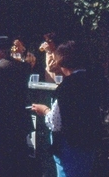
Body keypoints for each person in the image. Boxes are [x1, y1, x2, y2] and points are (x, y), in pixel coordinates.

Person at [32, 41, 102, 177]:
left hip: (70, 146)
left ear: (62, 62)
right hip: (90, 143)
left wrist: (45, 110)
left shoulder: (67, 86)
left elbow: (56, 122)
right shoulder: (93, 80)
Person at [0, 36, 33, 177]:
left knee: (2, 165)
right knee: (18, 164)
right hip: (19, 123)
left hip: (1, 125)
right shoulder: (23, 67)